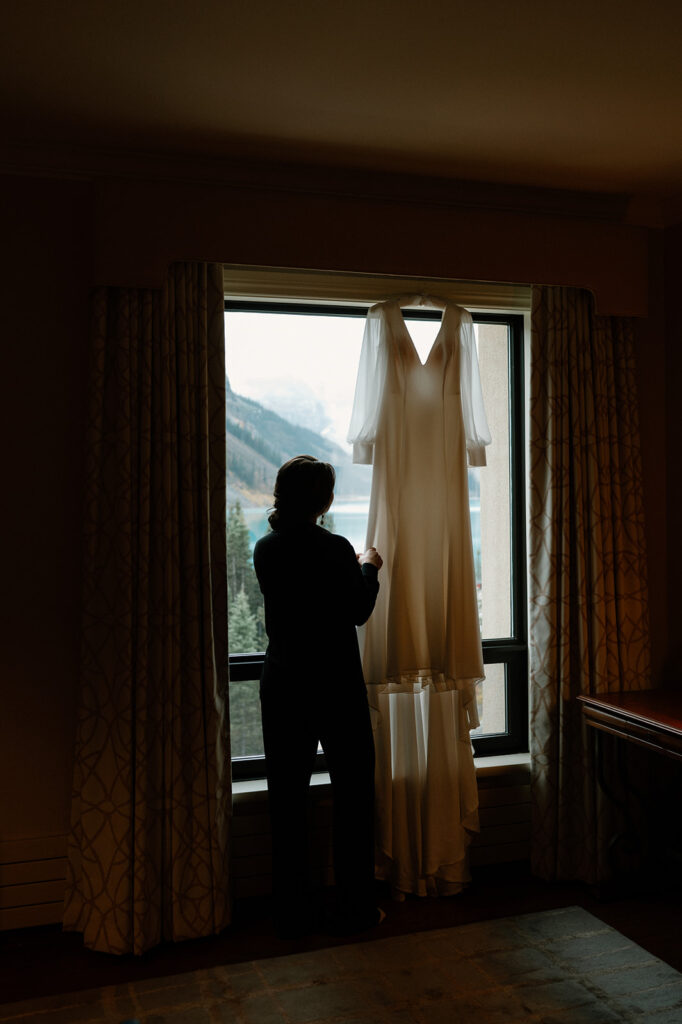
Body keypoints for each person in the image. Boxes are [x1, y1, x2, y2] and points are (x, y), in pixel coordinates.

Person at [253, 455, 383, 938]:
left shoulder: (266, 549)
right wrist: (369, 569)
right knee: (353, 798)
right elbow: (357, 610)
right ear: (326, 501)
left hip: (284, 685)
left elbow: (303, 595)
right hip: (335, 688)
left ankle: (292, 915)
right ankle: (355, 909)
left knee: (287, 802)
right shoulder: (335, 548)